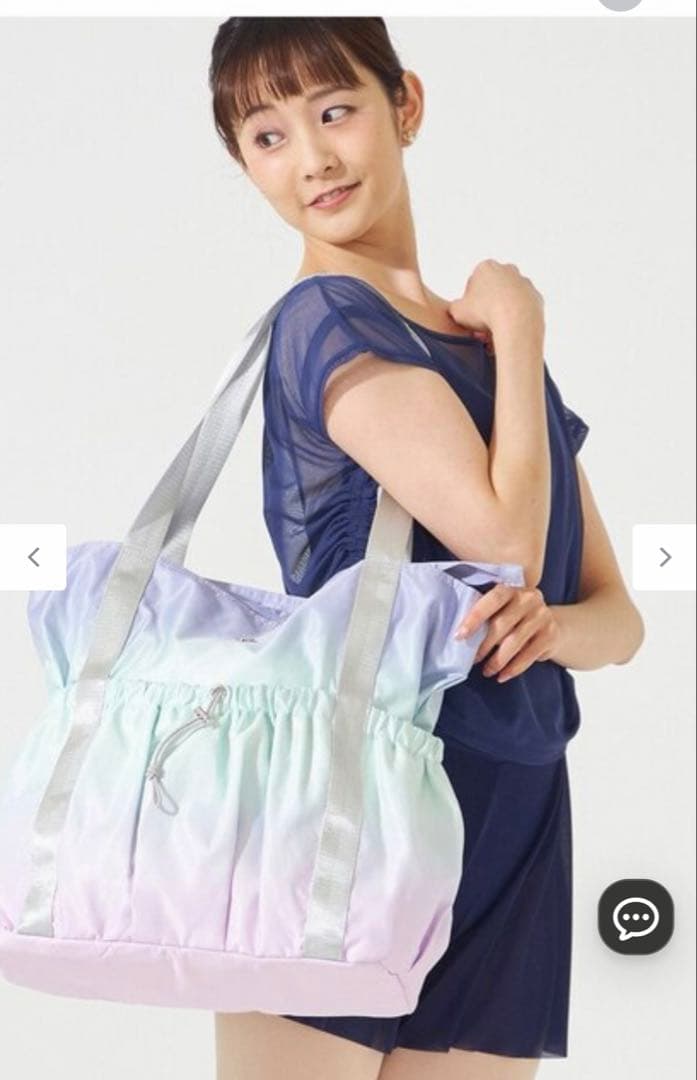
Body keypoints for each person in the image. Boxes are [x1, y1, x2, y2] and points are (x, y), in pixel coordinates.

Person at [208, 17, 645, 1080]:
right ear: (244, 165)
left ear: (405, 103)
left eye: (334, 111)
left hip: (515, 808)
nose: (312, 158)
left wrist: (548, 631)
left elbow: (616, 618)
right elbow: (501, 543)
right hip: (352, 795)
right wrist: (522, 328)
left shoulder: (491, 360)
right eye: (267, 136)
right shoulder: (327, 318)